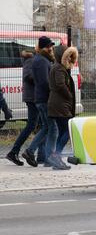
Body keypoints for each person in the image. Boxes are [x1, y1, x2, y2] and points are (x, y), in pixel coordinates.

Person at [6, 50, 45, 166]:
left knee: (41, 125)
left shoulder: (37, 60)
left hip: (35, 97)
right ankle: (15, 152)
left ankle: (39, 156)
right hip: (32, 98)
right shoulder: (31, 61)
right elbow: (28, 76)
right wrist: (41, 76)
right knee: (34, 125)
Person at [21, 36, 55, 168]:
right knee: (53, 128)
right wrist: (52, 93)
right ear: (43, 48)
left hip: (40, 98)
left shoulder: (43, 60)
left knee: (47, 127)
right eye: (49, 46)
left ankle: (34, 153)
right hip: (44, 99)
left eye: (51, 46)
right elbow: (43, 82)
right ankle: (48, 157)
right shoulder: (41, 61)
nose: (51, 48)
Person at [46, 45, 78, 170]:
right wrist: (69, 95)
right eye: (68, 55)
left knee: (63, 131)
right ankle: (55, 155)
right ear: (62, 56)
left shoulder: (58, 67)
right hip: (60, 105)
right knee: (68, 131)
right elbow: (60, 85)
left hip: (58, 104)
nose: (70, 58)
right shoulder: (59, 68)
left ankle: (56, 158)